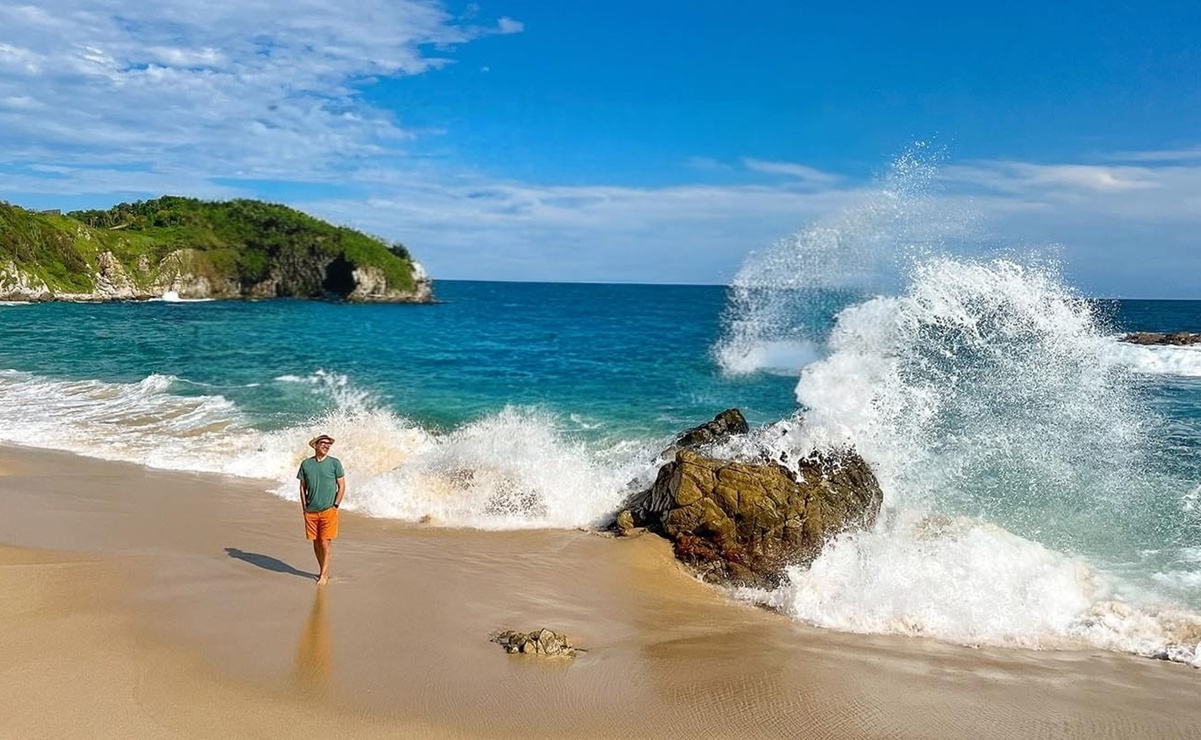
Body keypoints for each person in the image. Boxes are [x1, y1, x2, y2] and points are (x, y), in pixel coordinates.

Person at [297, 434, 345, 585]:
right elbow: (302, 487)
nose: (326, 445)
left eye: (328, 444)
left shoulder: (334, 463)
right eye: (323, 443)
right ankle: (321, 570)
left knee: (325, 541)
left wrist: (336, 505)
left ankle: (324, 574)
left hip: (328, 510)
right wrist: (304, 508)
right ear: (315, 445)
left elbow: (342, 486)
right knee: (316, 542)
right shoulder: (306, 464)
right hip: (310, 511)